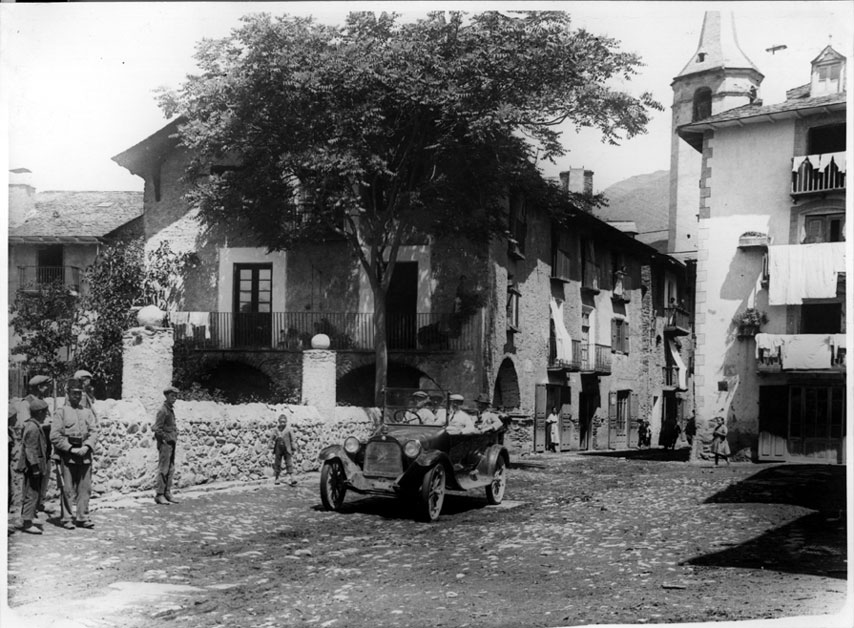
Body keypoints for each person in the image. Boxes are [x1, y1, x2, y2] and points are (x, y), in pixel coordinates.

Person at [50, 378, 97, 529]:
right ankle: (67, 518)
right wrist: (71, 448)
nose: (77, 396)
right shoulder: (61, 412)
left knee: (85, 488)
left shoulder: (87, 412)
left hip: (85, 456)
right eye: (74, 393)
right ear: (67, 393)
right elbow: (55, 436)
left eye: (80, 393)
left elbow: (94, 431)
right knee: (67, 489)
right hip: (68, 457)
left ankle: (82, 517)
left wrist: (88, 446)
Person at [16, 398, 49, 534]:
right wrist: (35, 467)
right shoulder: (33, 427)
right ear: (40, 412)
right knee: (32, 493)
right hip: (32, 467)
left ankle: (26, 518)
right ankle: (27, 523)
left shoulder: (32, 425)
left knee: (31, 492)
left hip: (33, 465)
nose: (46, 415)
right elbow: (30, 449)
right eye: (45, 412)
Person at [19, 375, 53, 509]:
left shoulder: (41, 401)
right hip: (34, 443)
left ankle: (40, 503)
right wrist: (46, 424)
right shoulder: (26, 403)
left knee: (45, 473)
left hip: (45, 443)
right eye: (45, 386)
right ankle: (28, 510)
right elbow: (25, 424)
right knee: (32, 479)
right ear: (39, 387)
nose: (48, 388)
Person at [154, 386, 180, 505]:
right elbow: (157, 428)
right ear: (167, 396)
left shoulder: (170, 409)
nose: (174, 398)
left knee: (171, 469)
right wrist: (165, 438)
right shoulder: (163, 410)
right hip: (165, 444)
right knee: (163, 469)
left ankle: (167, 493)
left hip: (171, 442)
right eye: (172, 396)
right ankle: (160, 494)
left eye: (175, 396)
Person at [272, 413, 298, 486]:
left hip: (287, 448)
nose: (282, 423)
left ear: (286, 422)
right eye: (281, 422)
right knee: (277, 463)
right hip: (278, 448)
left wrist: (293, 448)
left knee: (289, 462)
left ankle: (292, 478)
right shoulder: (276, 429)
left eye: (284, 422)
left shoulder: (289, 429)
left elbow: (293, 439)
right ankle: (277, 478)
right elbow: (271, 438)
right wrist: (271, 443)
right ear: (279, 421)